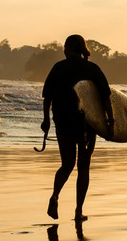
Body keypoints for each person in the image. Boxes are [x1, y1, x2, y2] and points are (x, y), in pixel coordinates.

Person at [41, 34, 113, 223]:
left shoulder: (59, 67)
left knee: (67, 164)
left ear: (71, 48)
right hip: (86, 125)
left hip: (63, 121)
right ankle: (78, 211)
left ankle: (55, 195)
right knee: (83, 167)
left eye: (65, 47)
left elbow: (47, 97)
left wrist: (46, 120)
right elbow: (105, 97)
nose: (64, 50)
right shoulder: (92, 69)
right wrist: (110, 121)